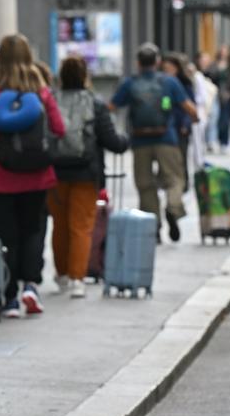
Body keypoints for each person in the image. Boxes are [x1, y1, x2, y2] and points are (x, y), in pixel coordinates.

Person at [0, 33, 65, 318]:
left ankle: (9, 298)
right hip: (37, 175)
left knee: (4, 236)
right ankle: (30, 285)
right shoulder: (41, 93)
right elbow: (59, 128)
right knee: (33, 230)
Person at [47, 56, 128, 299]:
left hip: (55, 173)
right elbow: (112, 141)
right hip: (86, 173)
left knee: (59, 225)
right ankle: (77, 279)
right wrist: (125, 140)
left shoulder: (51, 100)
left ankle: (62, 274)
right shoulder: (95, 103)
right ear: (85, 76)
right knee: (81, 227)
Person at [111, 42, 198, 243]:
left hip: (140, 141)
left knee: (145, 184)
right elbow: (190, 109)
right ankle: (173, 208)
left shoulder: (130, 83)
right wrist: (193, 121)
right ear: (157, 62)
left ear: (138, 63)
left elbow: (111, 106)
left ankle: (154, 224)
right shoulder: (169, 82)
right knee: (175, 178)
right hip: (167, 138)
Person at [161, 53, 196, 191]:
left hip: (181, 126)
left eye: (169, 68)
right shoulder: (163, 84)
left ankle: (183, 183)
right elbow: (165, 104)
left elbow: (191, 106)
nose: (167, 71)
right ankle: (170, 182)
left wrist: (186, 124)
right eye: (165, 69)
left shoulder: (184, 84)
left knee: (181, 155)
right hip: (167, 126)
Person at [209, 46, 230, 151]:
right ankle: (213, 140)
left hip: (227, 95)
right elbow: (211, 76)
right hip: (215, 94)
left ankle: (224, 141)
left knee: (225, 119)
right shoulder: (215, 64)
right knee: (214, 118)